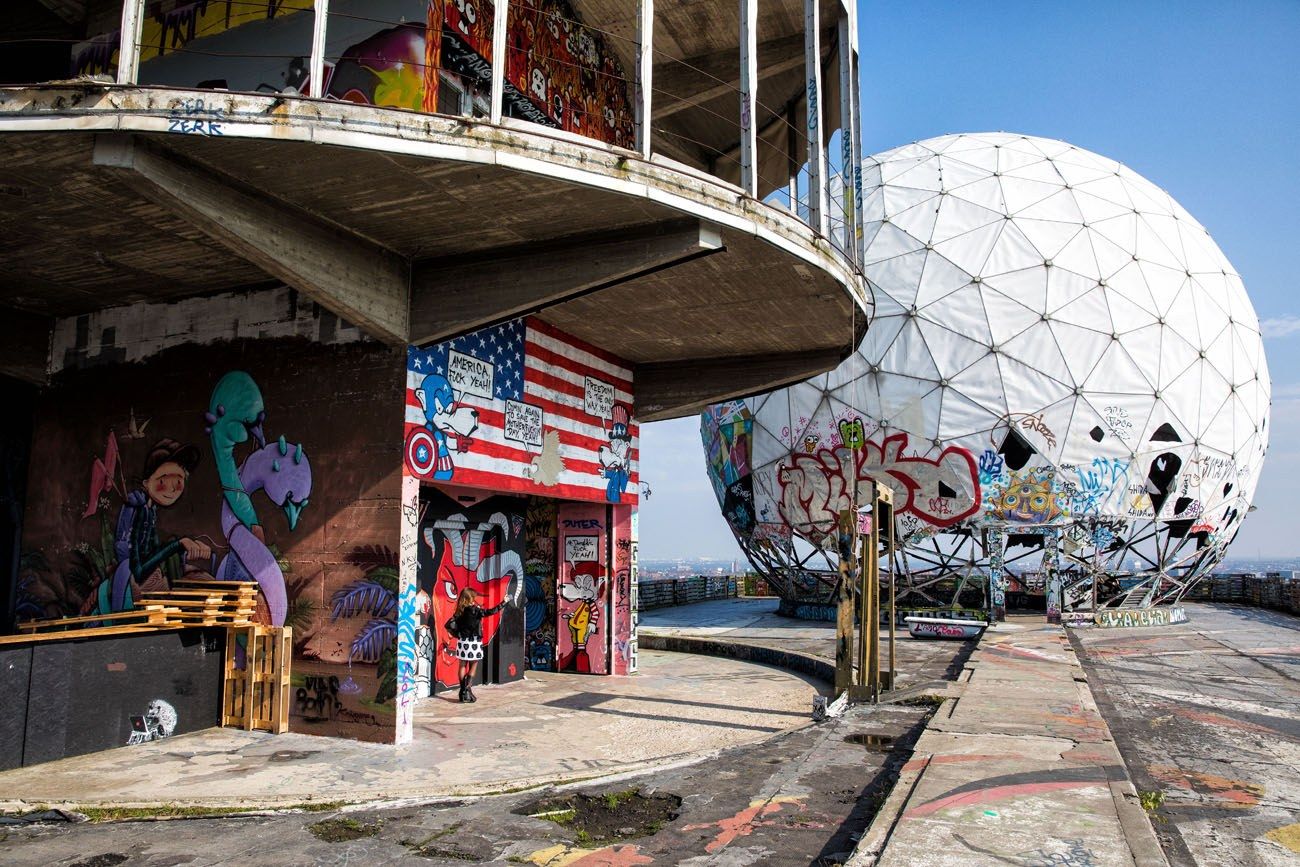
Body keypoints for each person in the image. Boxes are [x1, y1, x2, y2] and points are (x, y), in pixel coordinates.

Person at [92, 437, 211, 615]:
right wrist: (177, 545)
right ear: (146, 483)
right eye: (163, 481)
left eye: (178, 481)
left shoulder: (150, 510)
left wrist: (182, 554)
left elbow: (154, 553)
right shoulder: (138, 511)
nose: (172, 489)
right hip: (133, 583)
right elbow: (139, 569)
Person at [444, 587, 508, 702]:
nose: (475, 599)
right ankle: (467, 690)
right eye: (473, 597)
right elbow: (491, 611)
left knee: (462, 664)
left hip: (462, 641)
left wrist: (457, 634)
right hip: (474, 642)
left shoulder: (459, 611)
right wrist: (504, 602)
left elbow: (449, 625)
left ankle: (463, 690)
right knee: (473, 664)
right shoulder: (475, 610)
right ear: (470, 598)